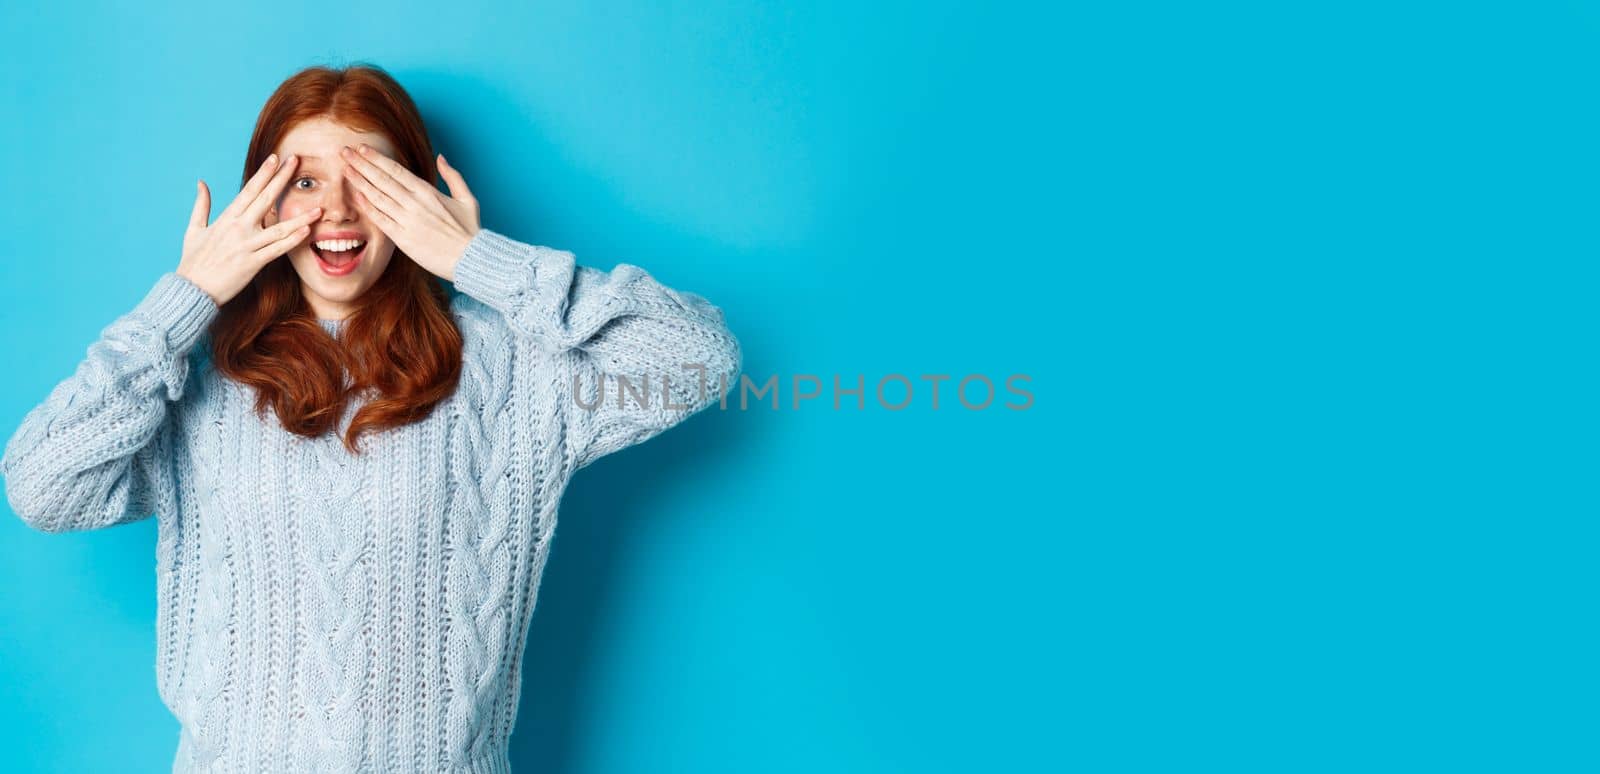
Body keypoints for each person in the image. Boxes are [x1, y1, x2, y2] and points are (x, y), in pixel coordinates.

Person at [0, 63, 741, 773]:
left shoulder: (513, 369)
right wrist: (185, 298)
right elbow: (42, 486)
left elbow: (700, 357)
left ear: (416, 195)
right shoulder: (195, 377)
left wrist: (477, 258)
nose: (338, 210)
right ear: (257, 200)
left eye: (369, 178)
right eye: (305, 181)